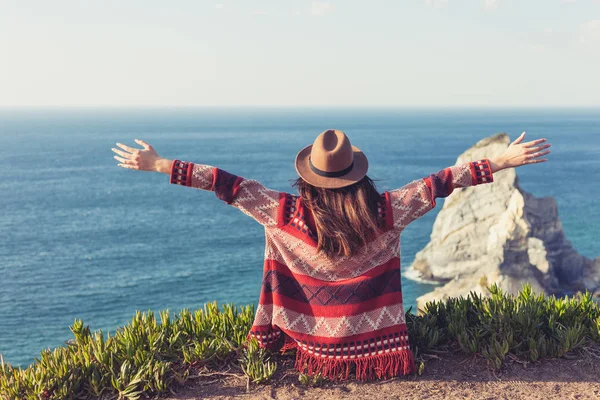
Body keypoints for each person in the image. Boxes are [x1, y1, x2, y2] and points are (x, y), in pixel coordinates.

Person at [111, 129, 550, 381]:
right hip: (376, 349)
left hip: (305, 344)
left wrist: (158, 164)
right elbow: (439, 182)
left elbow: (226, 183)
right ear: (358, 176)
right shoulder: (387, 212)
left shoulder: (281, 214)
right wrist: (502, 160)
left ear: (309, 179)